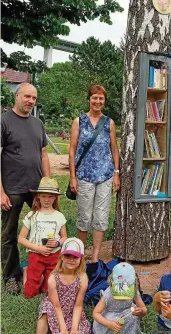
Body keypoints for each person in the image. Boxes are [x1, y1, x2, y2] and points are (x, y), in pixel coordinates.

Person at [1, 82, 50, 294]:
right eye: (27, 97)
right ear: (17, 96)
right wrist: (0, 192)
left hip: (36, 188)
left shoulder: (37, 123)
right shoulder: (3, 121)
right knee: (10, 233)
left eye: (34, 98)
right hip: (11, 188)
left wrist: (48, 185)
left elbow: (44, 154)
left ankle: (42, 270)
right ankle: (11, 276)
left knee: (45, 228)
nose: (30, 101)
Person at [69, 85, 120, 262]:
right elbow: (72, 150)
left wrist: (116, 173)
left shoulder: (109, 123)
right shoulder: (79, 121)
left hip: (105, 175)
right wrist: (72, 177)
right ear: (89, 99)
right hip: (84, 175)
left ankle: (95, 256)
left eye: (101, 98)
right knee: (84, 216)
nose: (97, 101)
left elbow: (114, 149)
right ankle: (81, 254)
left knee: (101, 216)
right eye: (94, 98)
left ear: (104, 101)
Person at [18, 177, 67, 299]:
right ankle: (26, 270)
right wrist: (38, 248)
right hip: (36, 254)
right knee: (30, 293)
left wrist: (57, 243)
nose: (47, 199)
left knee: (50, 290)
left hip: (54, 255)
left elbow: (64, 237)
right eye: (44, 196)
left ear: (55, 197)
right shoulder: (32, 216)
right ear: (38, 196)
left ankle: (44, 277)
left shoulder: (59, 216)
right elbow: (21, 238)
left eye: (50, 196)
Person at [37, 237, 91, 334]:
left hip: (72, 310)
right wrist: (63, 329)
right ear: (61, 256)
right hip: (54, 308)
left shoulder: (83, 278)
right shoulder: (53, 278)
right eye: (68, 256)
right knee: (45, 310)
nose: (71, 260)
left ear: (81, 259)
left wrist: (74, 329)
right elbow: (56, 305)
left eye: (75, 257)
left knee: (79, 330)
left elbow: (78, 306)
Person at [92, 262, 147, 333]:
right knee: (113, 321)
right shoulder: (108, 294)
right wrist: (109, 324)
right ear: (112, 282)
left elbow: (144, 309)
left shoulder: (133, 290)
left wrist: (141, 311)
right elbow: (96, 313)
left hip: (127, 314)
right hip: (110, 317)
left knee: (133, 318)